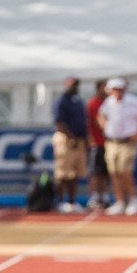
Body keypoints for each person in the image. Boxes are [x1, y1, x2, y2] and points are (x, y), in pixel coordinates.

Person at [97, 77, 137, 216]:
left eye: (119, 89)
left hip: (128, 142)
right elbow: (100, 114)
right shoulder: (108, 102)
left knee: (124, 171)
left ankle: (133, 199)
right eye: (115, 89)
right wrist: (105, 126)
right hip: (112, 142)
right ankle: (120, 201)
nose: (117, 92)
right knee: (114, 172)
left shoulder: (133, 101)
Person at [51, 76, 88, 213]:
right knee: (62, 173)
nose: (75, 88)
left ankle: (72, 202)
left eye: (76, 85)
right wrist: (70, 137)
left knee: (75, 173)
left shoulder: (78, 101)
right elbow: (59, 122)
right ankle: (60, 202)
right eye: (72, 85)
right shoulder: (62, 101)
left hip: (79, 140)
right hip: (65, 140)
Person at [86, 79, 111, 209]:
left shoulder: (109, 102)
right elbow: (97, 123)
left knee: (105, 172)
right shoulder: (93, 104)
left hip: (108, 143)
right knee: (95, 171)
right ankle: (95, 197)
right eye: (104, 87)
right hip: (96, 142)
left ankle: (104, 196)